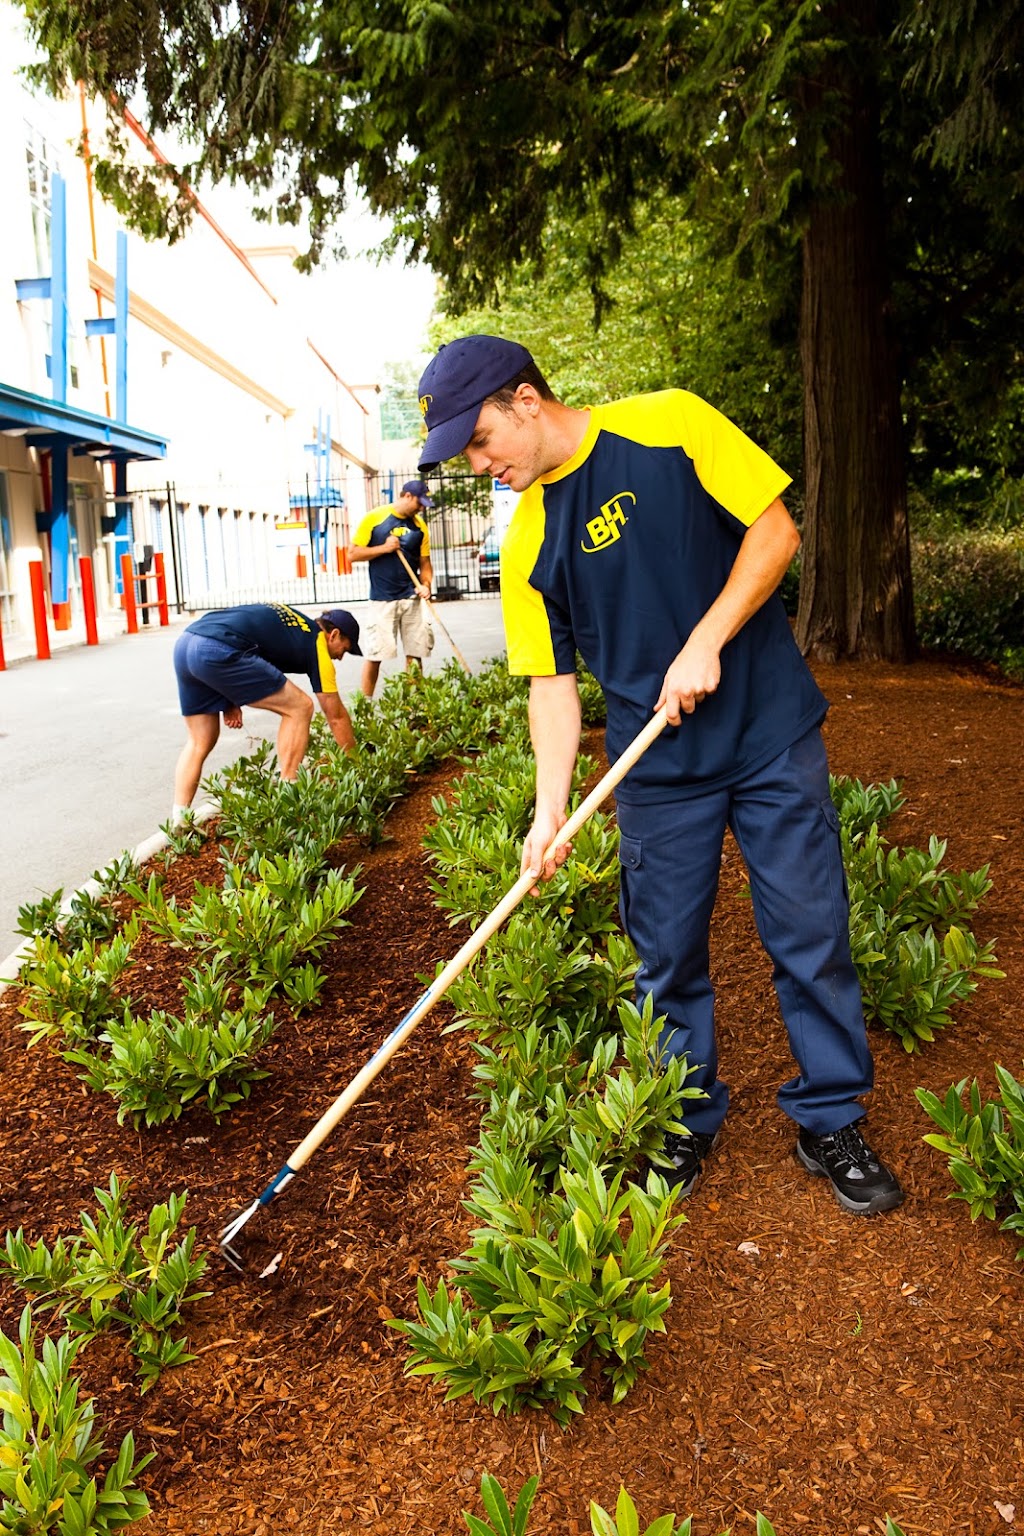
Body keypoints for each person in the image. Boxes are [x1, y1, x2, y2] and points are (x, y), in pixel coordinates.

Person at [415, 333, 904, 1218]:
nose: (477, 464)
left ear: (527, 400)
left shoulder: (671, 425)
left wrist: (706, 639)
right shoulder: (526, 540)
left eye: (480, 441)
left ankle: (829, 1116)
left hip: (767, 733)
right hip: (658, 769)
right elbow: (551, 690)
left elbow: (775, 531)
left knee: (810, 931)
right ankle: (684, 1114)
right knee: (665, 960)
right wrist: (548, 815)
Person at [171, 603, 361, 819]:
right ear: (333, 635)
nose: (341, 657)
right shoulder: (316, 643)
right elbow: (336, 717)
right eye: (344, 649)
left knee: (200, 740)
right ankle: (288, 798)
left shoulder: (295, 626)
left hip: (187, 643)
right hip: (217, 650)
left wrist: (230, 700)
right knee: (300, 707)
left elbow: (250, 637)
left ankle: (179, 821)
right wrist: (355, 767)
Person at [348, 478, 435, 697]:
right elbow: (352, 554)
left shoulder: (419, 527)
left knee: (415, 653)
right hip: (383, 599)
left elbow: (425, 564)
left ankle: (414, 704)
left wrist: (426, 585)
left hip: (411, 598)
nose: (422, 508)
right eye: (419, 502)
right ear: (407, 496)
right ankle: (365, 704)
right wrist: (384, 548)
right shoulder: (375, 518)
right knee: (376, 654)